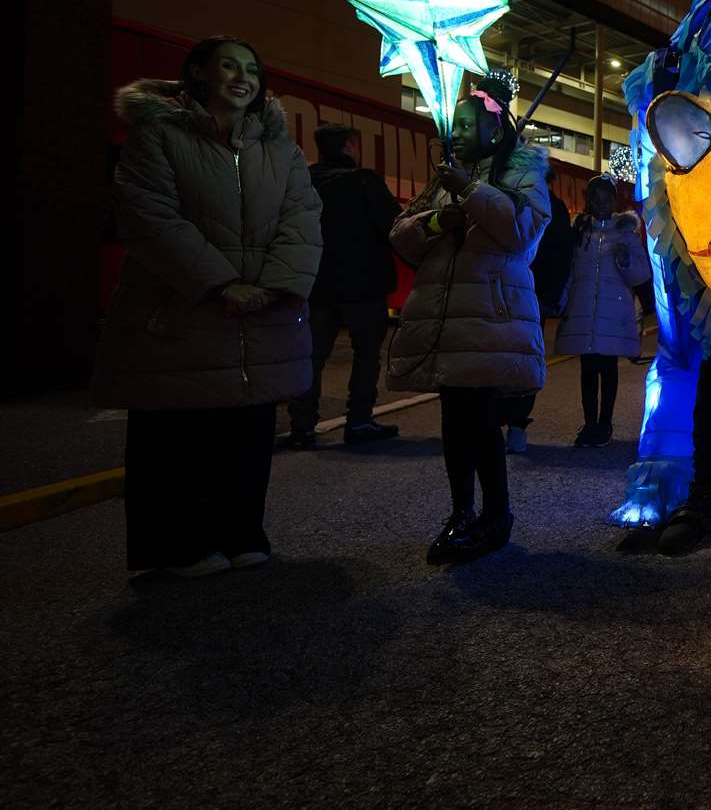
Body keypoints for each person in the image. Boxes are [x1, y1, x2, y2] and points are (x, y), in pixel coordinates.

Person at [92, 36, 322, 577]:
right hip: (182, 309)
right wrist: (221, 284)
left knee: (246, 429)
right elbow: (150, 218)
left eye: (251, 68)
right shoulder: (159, 135)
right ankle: (176, 545)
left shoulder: (281, 150)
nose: (242, 77)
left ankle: (241, 532)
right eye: (228, 66)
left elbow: (303, 219)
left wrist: (273, 284)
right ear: (198, 73)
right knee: (176, 429)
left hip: (259, 312)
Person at [388, 78, 551, 564]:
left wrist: (473, 191)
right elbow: (402, 236)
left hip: (491, 312)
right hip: (447, 313)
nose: (455, 132)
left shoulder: (522, 173)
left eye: (467, 124)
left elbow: (521, 233)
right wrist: (439, 220)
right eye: (453, 125)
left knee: (480, 420)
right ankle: (461, 513)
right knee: (455, 421)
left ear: (495, 129)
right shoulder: (446, 177)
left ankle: (495, 516)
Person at [284, 123, 401, 449]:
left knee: (311, 357)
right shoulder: (365, 182)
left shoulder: (304, 182)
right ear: (350, 146)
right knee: (366, 356)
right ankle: (359, 421)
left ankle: (302, 427)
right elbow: (393, 226)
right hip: (363, 287)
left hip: (316, 286)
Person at [554, 175, 652, 447]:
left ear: (613, 200)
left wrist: (625, 261)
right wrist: (562, 303)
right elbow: (570, 273)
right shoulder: (580, 233)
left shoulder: (625, 233)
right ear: (589, 200)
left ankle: (605, 424)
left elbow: (641, 274)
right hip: (585, 309)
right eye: (595, 197)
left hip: (613, 313)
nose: (600, 203)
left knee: (608, 367)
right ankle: (589, 423)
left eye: (606, 197)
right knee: (587, 368)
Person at [500, 166, 574, 454]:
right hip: (517, 293)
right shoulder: (518, 203)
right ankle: (509, 423)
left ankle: (516, 423)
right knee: (514, 360)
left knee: (521, 362)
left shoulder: (549, 208)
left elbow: (561, 256)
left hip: (529, 296)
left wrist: (550, 295)